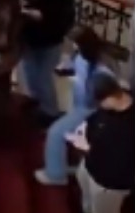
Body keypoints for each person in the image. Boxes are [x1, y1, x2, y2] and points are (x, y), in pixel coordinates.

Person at [35, 26, 116, 187]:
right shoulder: (82, 55)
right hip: (79, 104)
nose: (73, 47)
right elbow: (75, 66)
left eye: (75, 44)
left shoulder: (102, 69)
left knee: (55, 133)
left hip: (90, 110)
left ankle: (55, 174)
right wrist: (67, 69)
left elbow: (98, 96)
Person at [68, 73, 133, 213]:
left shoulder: (129, 127)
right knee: (88, 200)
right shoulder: (108, 108)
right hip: (90, 167)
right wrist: (84, 129)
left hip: (109, 184)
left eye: (101, 101)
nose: (99, 106)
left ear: (112, 96)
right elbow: (96, 118)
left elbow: (120, 162)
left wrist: (87, 147)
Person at [17, 0, 76, 120]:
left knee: (43, 78)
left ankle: (50, 111)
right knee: (30, 75)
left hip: (50, 43)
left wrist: (42, 16)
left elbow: (64, 21)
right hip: (29, 41)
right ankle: (36, 102)